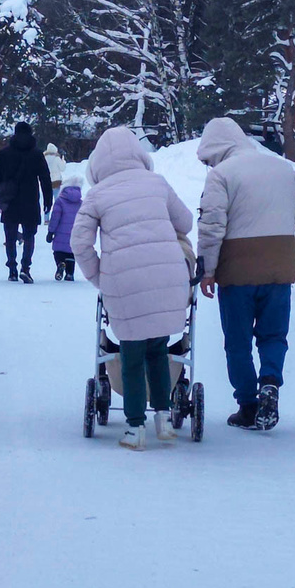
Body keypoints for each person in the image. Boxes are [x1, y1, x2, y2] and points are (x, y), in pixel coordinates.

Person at [71, 127, 193, 451]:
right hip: (169, 279)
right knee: (158, 349)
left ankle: (135, 427)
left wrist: (99, 276)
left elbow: (79, 242)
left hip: (124, 283)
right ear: (138, 155)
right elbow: (186, 223)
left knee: (131, 355)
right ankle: (164, 420)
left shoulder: (97, 195)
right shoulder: (157, 184)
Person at [196, 117, 295, 432]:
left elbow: (212, 226)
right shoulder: (281, 168)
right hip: (280, 267)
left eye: (209, 159)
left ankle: (248, 406)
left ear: (216, 150)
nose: (210, 166)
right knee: (273, 335)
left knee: (237, 342)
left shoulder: (222, 175)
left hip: (236, 270)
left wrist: (207, 270)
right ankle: (270, 384)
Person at [0, 121, 53, 283]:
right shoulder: (37, 154)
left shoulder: (5, 153)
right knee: (29, 236)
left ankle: (12, 268)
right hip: (30, 200)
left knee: (10, 236)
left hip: (10, 200)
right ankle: (26, 268)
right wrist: (48, 199)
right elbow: (45, 178)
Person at [46, 175, 83, 280]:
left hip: (60, 234)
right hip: (75, 234)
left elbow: (55, 217)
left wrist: (50, 231)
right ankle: (70, 273)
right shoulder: (81, 203)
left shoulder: (60, 201)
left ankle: (60, 263)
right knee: (72, 253)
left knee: (58, 251)